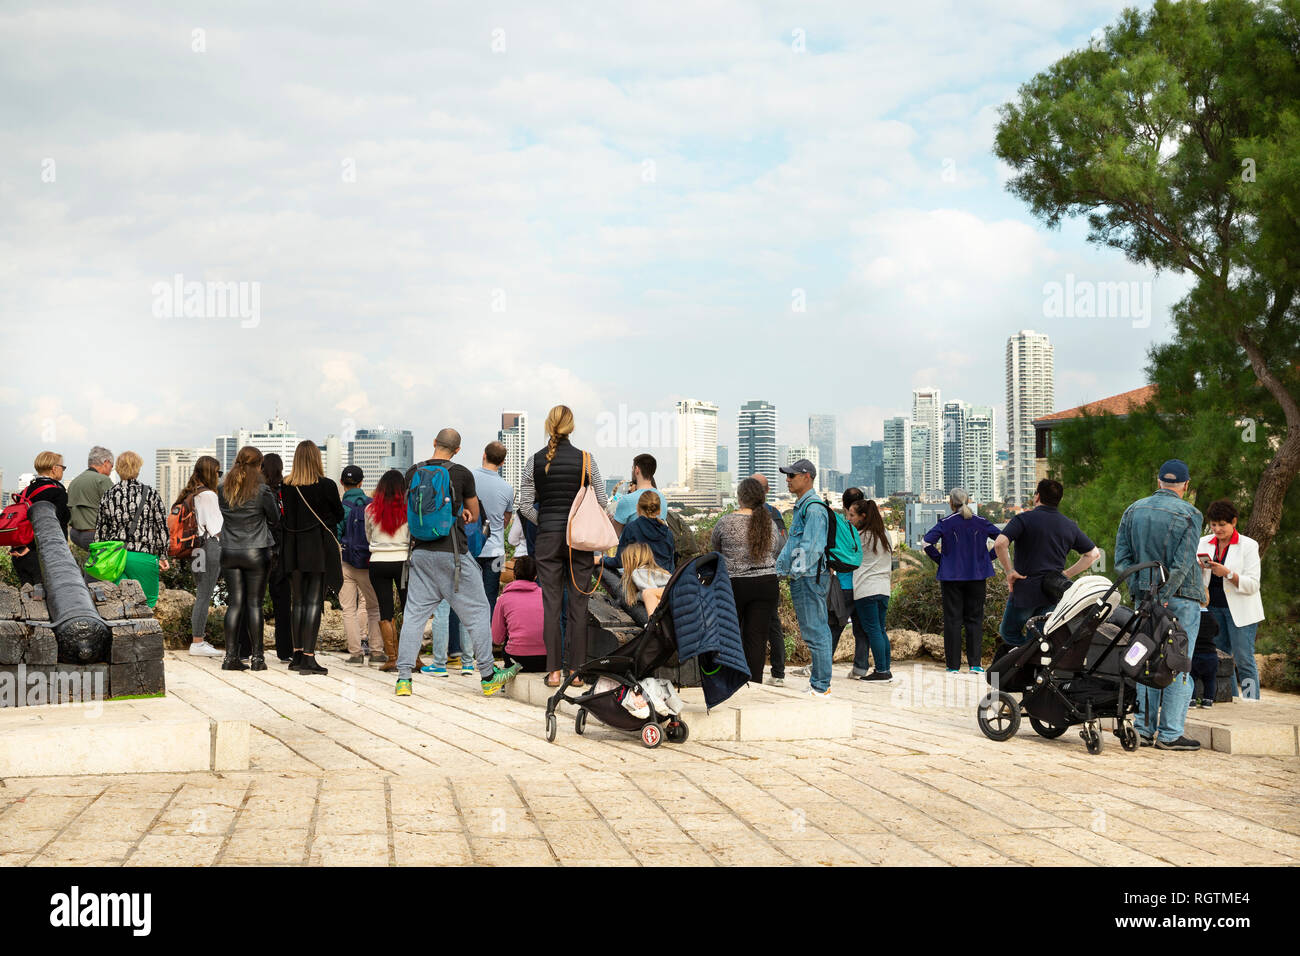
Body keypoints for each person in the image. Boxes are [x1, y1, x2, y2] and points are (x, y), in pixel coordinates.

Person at [396, 428, 519, 697]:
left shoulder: (413, 472)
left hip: (419, 555)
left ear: (434, 443)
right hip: (453, 556)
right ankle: (488, 676)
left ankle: (404, 679)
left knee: (414, 617)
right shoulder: (462, 473)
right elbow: (474, 515)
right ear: (458, 450)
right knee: (477, 612)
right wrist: (462, 512)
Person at [515, 405, 609, 689]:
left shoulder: (534, 460)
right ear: (572, 427)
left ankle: (554, 672)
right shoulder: (586, 460)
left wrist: (544, 521)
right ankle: (576, 673)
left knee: (551, 607)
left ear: (548, 425)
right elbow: (602, 502)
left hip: (547, 541)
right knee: (578, 607)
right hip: (578, 543)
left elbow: (523, 505)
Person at [1114, 459, 1203, 751]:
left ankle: (1143, 727)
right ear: (1186, 485)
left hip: (1144, 597)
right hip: (1182, 599)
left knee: (1144, 660)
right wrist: (1166, 593)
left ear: (1158, 480)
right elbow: (1184, 562)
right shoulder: (1191, 514)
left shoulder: (1133, 509)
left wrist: (1140, 590)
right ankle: (1170, 734)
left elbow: (1122, 560)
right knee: (1178, 662)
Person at [993, 478, 1101, 646]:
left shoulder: (1023, 519)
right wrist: (1065, 574)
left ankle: (1021, 658)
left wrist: (1009, 572)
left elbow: (1000, 544)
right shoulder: (1069, 525)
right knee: (1038, 637)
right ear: (1059, 500)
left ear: (1037, 497)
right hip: (1053, 592)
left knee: (1008, 632)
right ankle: (1031, 661)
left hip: (1024, 590)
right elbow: (1093, 554)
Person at [447, 441, 515, 675]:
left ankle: (455, 651)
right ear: (503, 462)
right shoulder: (507, 488)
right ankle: (482, 653)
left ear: (483, 454)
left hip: (469, 547)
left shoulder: (468, 477)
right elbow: (506, 522)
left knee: (459, 597)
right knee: (488, 601)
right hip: (495, 550)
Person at [281, 440, 344, 675]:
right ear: (317, 459)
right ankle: (309, 657)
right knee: (313, 603)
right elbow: (338, 515)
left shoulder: (285, 485)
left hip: (292, 549)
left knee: (296, 602)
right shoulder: (326, 485)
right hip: (317, 548)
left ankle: (296, 654)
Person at [710, 476, 780, 684]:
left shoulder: (726, 522)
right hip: (766, 582)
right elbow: (775, 549)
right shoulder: (769, 523)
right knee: (757, 638)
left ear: (739, 498)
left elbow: (716, 550)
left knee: (730, 634)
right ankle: (754, 682)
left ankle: (730, 678)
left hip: (735, 584)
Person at [923, 489, 1000, 674]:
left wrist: (942, 561)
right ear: (969, 501)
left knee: (953, 620)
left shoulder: (946, 523)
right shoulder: (981, 522)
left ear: (951, 503)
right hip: (977, 576)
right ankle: (975, 664)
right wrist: (987, 558)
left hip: (952, 577)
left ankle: (953, 666)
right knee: (975, 619)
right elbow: (1003, 541)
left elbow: (926, 543)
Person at [774, 459, 833, 697]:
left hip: (809, 577)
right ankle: (819, 683)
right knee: (813, 631)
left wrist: (795, 572)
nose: (787, 480)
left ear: (806, 476)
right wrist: (781, 570)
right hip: (804, 577)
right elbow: (793, 545)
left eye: (792, 476)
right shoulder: (803, 506)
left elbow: (811, 547)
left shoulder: (815, 508)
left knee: (816, 631)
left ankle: (821, 686)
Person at [217, 446, 279, 671]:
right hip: (256, 550)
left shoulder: (222, 488)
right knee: (254, 604)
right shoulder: (261, 491)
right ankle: (257, 658)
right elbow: (275, 518)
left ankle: (230, 657)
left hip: (230, 550)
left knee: (234, 604)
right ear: (259, 465)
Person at [1198, 499, 1265, 700]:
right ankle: (1229, 700)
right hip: (1213, 609)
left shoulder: (1249, 545)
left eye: (1222, 524)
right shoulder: (1203, 543)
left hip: (1242, 611)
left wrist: (1228, 574)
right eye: (1213, 524)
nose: (1217, 529)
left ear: (1233, 522)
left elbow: (1253, 584)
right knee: (1220, 659)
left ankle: (1252, 701)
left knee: (1244, 659)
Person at [94, 451, 170, 607]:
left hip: (115, 557)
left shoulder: (108, 495)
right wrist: (162, 555)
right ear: (138, 469)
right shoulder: (151, 494)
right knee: (146, 604)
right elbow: (161, 527)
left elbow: (100, 531)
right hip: (143, 556)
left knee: (116, 603)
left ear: (118, 469)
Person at [176, 455, 225, 659]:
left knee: (201, 593)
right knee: (205, 594)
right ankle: (198, 642)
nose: (219, 476)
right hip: (209, 546)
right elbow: (217, 528)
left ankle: (198, 640)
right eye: (218, 473)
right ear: (210, 473)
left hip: (195, 549)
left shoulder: (189, 494)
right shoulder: (209, 496)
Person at [601, 491, 676, 621]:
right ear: (659, 510)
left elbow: (619, 561)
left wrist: (602, 560)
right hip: (664, 582)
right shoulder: (667, 533)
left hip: (641, 580)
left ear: (638, 508)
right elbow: (671, 563)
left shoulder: (631, 528)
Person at [336, 465, 381, 665]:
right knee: (373, 607)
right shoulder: (372, 505)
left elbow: (335, 534)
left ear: (341, 483)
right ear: (362, 482)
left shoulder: (341, 507)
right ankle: (377, 651)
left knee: (348, 608)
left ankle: (355, 653)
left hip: (346, 562)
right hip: (368, 561)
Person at [366, 468, 409, 671]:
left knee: (385, 609)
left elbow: (369, 536)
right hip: (403, 562)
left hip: (378, 561)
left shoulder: (370, 510)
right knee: (410, 609)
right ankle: (412, 658)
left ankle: (392, 658)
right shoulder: (409, 509)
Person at [847, 498, 894, 681]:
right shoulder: (884, 534)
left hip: (866, 590)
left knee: (873, 630)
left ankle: (881, 671)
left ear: (863, 516)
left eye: (852, 515)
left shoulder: (860, 537)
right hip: (883, 589)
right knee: (881, 630)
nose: (849, 518)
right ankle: (886, 669)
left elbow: (850, 558)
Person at [10, 452, 72, 587]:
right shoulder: (58, 492)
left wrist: (24, 547)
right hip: (44, 554)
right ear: (54, 468)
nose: (63, 470)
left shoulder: (25, 491)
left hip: (19, 553)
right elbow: (54, 526)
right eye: (63, 467)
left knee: (28, 598)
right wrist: (31, 547)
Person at [753, 472, 788, 685]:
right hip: (770, 575)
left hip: (746, 576)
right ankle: (778, 673)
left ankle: (749, 673)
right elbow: (784, 546)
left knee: (745, 625)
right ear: (767, 491)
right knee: (773, 624)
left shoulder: (744, 514)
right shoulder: (775, 513)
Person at [261, 453, 294, 663]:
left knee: (252, 602)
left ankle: (246, 648)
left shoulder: (257, 491)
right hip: (282, 553)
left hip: (260, 549)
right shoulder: (287, 491)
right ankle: (285, 650)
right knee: (283, 604)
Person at [492, 555, 547, 672]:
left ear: (514, 575)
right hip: (546, 660)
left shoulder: (504, 599)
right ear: (536, 576)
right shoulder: (546, 597)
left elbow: (497, 638)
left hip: (516, 660)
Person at [66, 446, 114, 555]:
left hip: (75, 534)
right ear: (106, 462)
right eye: (112, 466)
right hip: (93, 534)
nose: (111, 470)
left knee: (92, 562)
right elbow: (115, 509)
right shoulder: (102, 480)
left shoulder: (75, 481)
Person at [610, 453, 667, 534]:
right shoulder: (662, 498)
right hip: (657, 546)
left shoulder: (627, 500)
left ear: (637, 470)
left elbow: (615, 534)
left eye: (632, 468)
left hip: (632, 546)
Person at [621, 542, 671, 616]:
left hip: (669, 595)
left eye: (625, 562)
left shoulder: (638, 572)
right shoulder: (656, 571)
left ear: (634, 559)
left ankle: (653, 625)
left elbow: (651, 593)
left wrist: (636, 597)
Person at [1190, 608, 1221, 708]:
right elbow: (1217, 631)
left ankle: (1192, 700)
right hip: (1211, 654)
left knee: (1191, 679)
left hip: (1195, 654)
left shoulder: (1192, 615)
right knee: (1210, 680)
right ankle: (1208, 700)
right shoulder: (1212, 616)